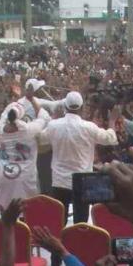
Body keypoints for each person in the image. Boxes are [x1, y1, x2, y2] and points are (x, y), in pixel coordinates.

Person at [42, 91, 118, 225]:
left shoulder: (54, 125)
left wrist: (51, 118)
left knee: (59, 222)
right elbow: (110, 139)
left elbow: (40, 139)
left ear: (65, 106)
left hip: (60, 180)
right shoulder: (89, 127)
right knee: (81, 222)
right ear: (82, 108)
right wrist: (112, 121)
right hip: (82, 180)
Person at [0, 98, 48, 209]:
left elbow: (4, 115)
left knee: (5, 212)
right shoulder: (29, 130)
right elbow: (44, 118)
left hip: (3, 175)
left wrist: (13, 104)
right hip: (25, 179)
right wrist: (32, 99)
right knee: (26, 214)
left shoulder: (0, 129)